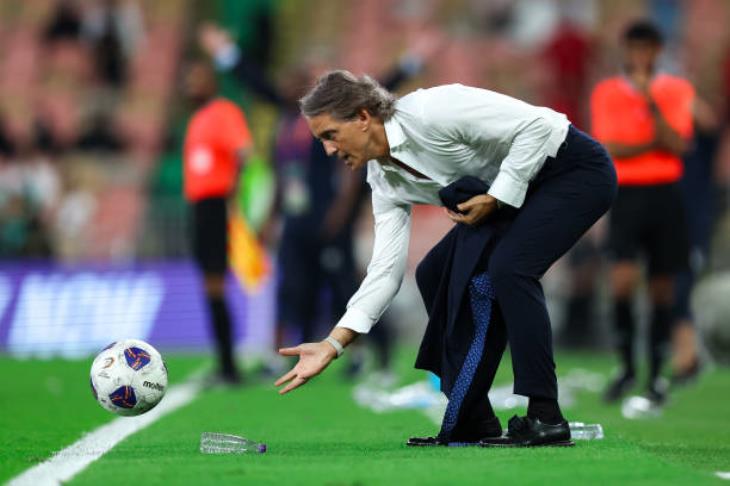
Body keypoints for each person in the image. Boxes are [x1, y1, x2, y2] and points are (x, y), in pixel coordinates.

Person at [274, 70, 617, 447]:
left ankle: (546, 417)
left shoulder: (433, 109)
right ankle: (472, 417)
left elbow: (539, 125)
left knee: (511, 268)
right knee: (432, 273)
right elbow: (385, 273)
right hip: (515, 195)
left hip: (573, 169)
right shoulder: (383, 180)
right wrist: (332, 344)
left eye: (329, 135)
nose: (328, 150)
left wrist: (498, 195)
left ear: (362, 116)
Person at [590, 21, 695, 404]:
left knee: (663, 287)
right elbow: (611, 146)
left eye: (646, 49)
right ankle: (626, 368)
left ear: (657, 51)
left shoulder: (676, 90)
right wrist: (654, 142)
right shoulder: (607, 92)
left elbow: (680, 145)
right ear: (626, 51)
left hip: (666, 194)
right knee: (621, 280)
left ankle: (655, 375)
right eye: (634, 49)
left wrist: (651, 103)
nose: (640, 57)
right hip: (627, 193)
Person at [182, 60, 253, 384]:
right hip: (199, 206)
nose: (191, 85)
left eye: (198, 78)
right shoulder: (197, 119)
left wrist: (234, 193)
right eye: (189, 80)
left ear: (212, 82)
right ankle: (225, 363)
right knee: (209, 285)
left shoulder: (224, 111)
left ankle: (229, 366)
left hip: (216, 204)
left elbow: (244, 152)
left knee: (215, 284)